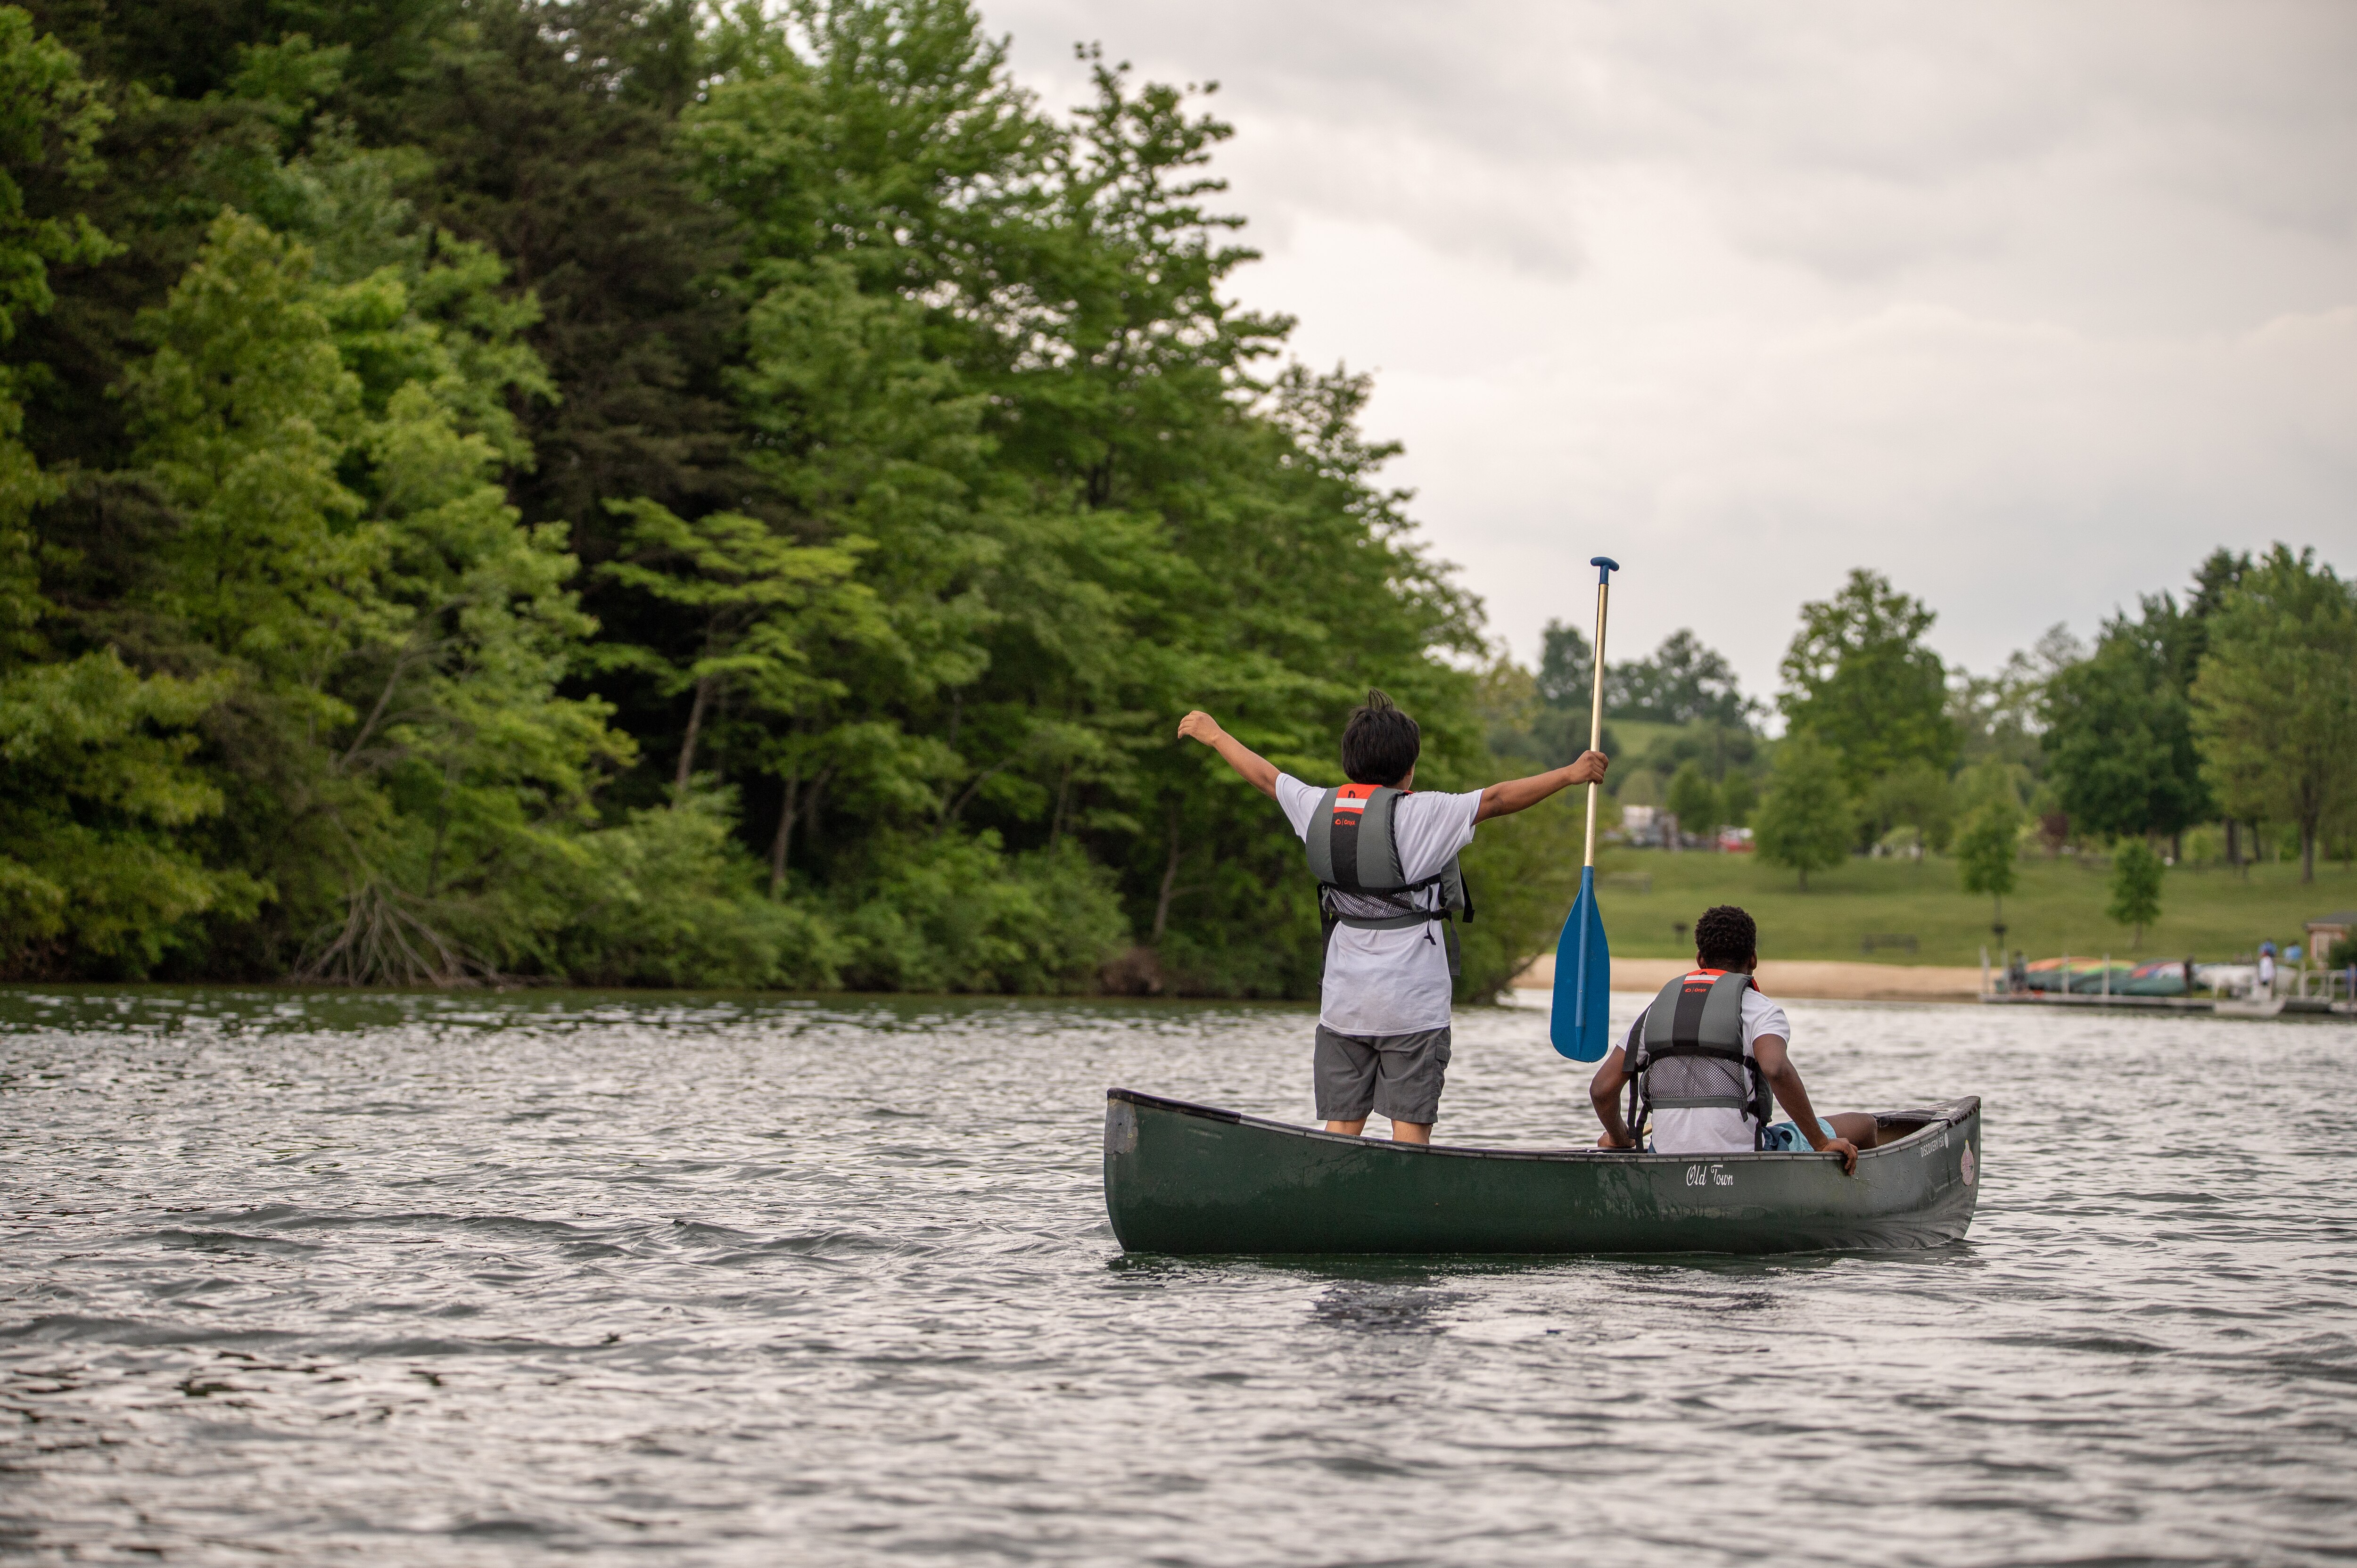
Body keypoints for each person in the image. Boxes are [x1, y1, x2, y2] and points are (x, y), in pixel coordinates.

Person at [1178, 692, 1607, 1144]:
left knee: (1340, 1132)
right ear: (1410, 768)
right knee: (1410, 1136)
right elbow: (1498, 799)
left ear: (1350, 762)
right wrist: (1572, 774)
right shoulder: (1427, 813)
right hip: (1413, 1007)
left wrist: (1215, 735)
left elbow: (1266, 778)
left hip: (1344, 1005)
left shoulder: (1317, 805)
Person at [1586, 904, 1876, 1173]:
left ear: (1700, 960)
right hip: (1743, 1161)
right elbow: (1776, 1069)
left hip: (1665, 1161)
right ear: (1753, 959)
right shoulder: (1761, 1010)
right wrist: (1821, 1144)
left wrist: (1619, 1137)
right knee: (1864, 1126)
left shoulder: (1656, 1012)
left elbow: (1602, 1089)